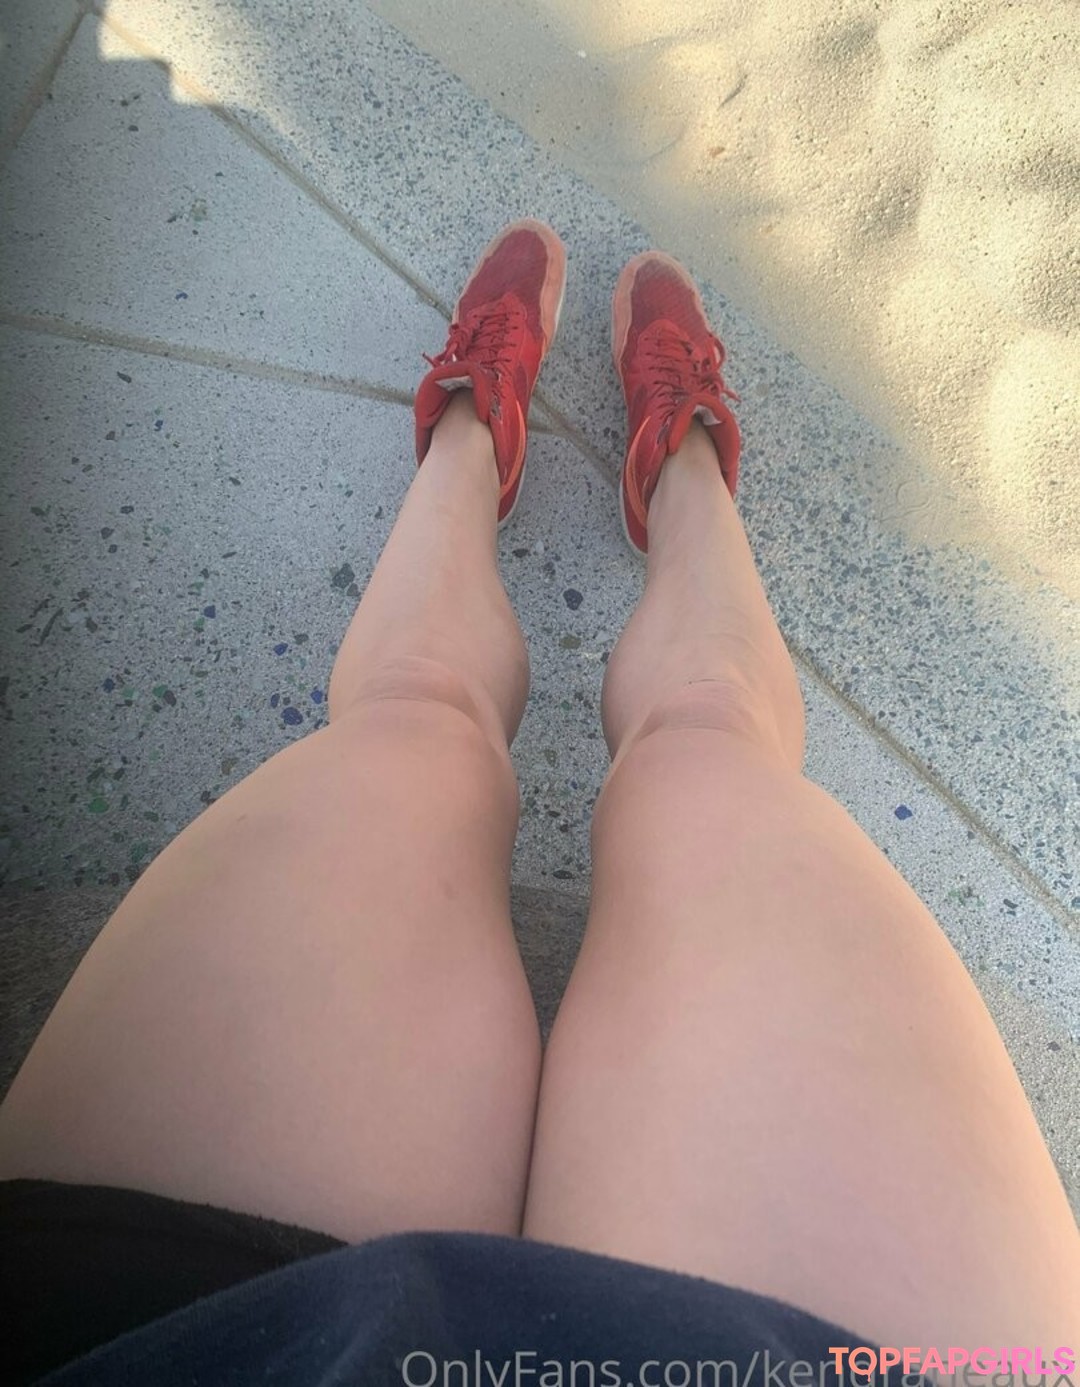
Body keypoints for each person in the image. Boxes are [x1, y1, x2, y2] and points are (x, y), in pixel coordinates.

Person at [0, 220, 1077, 1384]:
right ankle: (677, 463)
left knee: (416, 717)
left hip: (163, 1324)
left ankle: (479, 435)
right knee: (708, 742)